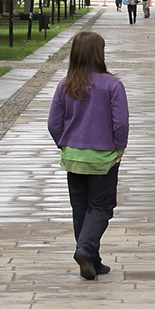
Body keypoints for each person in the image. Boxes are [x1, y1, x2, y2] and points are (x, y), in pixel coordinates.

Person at [47, 31, 129, 280]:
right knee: (102, 207)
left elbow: (53, 123)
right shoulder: (112, 85)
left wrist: (64, 144)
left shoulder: (66, 85)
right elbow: (121, 123)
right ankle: (85, 249)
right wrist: (118, 149)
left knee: (80, 208)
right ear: (99, 54)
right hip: (103, 156)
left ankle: (91, 259)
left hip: (73, 156)